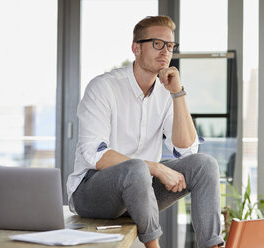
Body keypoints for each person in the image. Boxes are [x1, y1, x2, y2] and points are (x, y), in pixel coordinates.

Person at [66, 15, 223, 248]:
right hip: (93, 190)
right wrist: (156, 168)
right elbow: (94, 154)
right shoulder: (103, 87)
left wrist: (177, 94)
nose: (165, 51)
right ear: (136, 48)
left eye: (170, 46)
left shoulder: (166, 91)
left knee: (204, 164)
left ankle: (211, 246)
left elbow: (186, 149)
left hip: (142, 189)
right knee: (138, 167)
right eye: (157, 44)